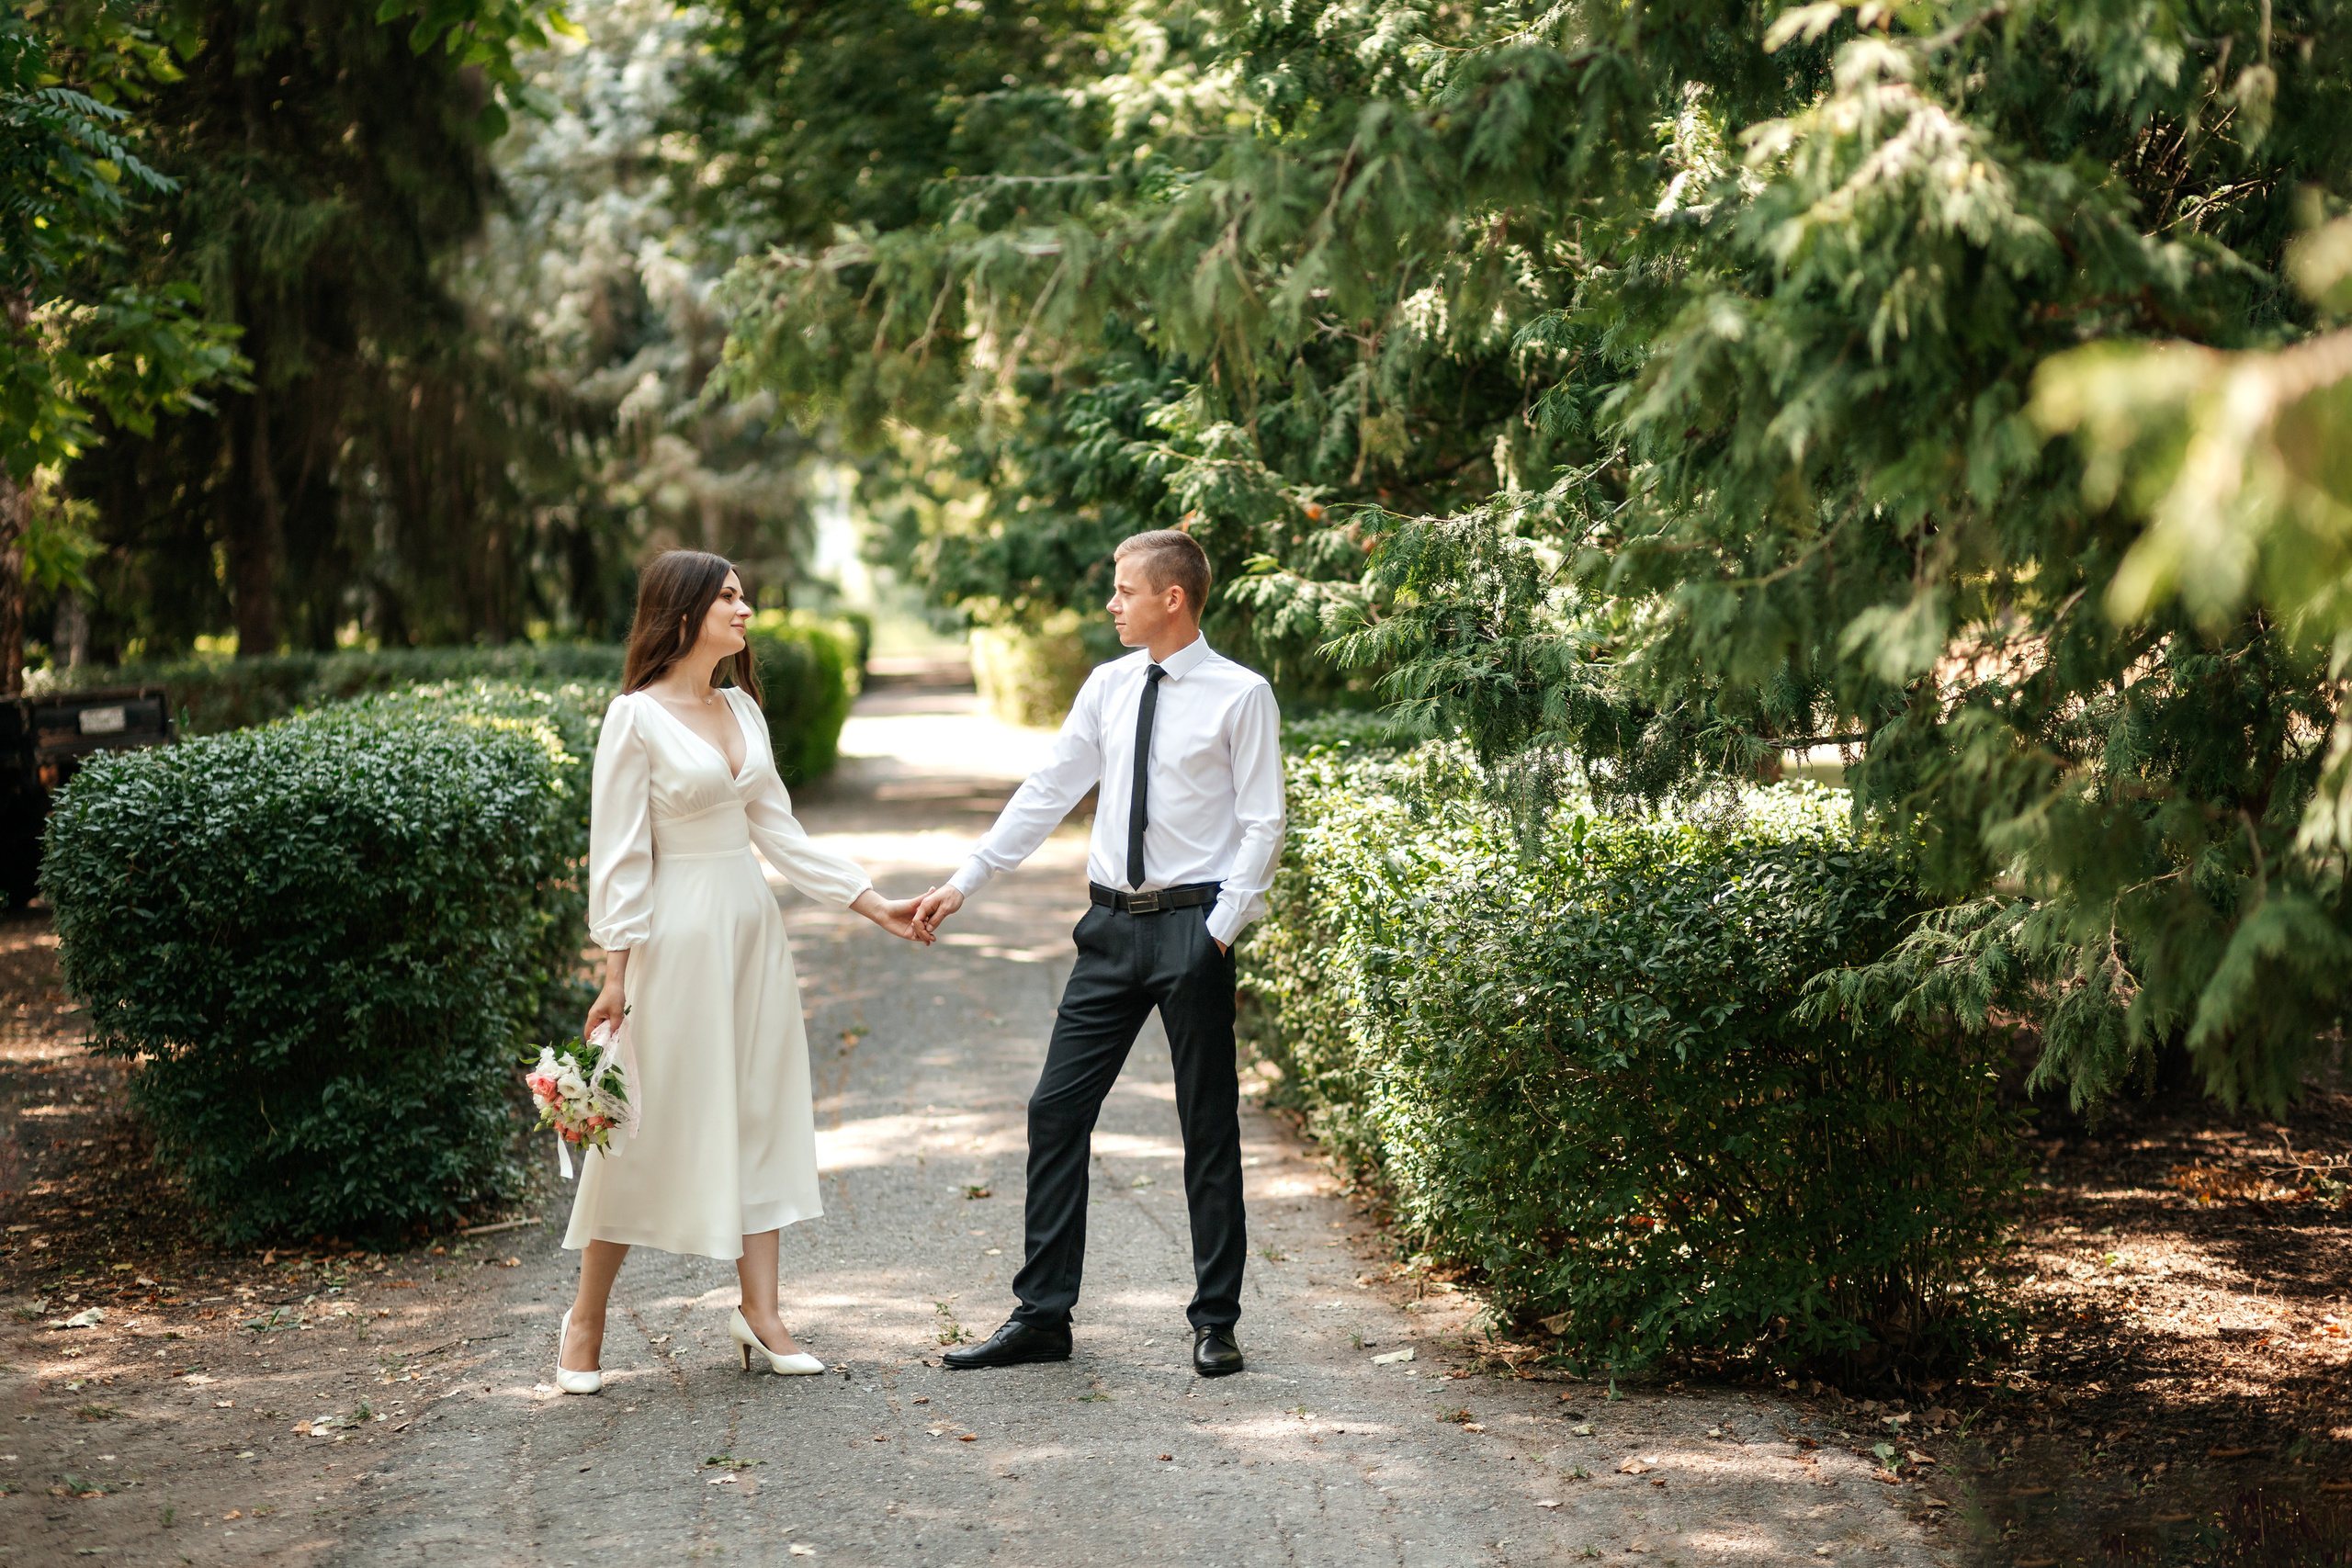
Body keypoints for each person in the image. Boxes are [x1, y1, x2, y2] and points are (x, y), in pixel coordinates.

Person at [555, 549, 930, 1395]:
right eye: (728, 596)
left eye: (743, 595)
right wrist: (615, 976)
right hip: (674, 939)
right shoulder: (634, 719)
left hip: (752, 934)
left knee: (759, 1110)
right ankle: (586, 1318)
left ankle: (760, 1313)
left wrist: (875, 904)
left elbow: (782, 833)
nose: (746, 608)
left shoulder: (743, 711)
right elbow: (618, 858)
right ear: (682, 612)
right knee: (644, 1126)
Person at [912, 529, 1285, 1377]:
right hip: (1109, 928)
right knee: (1055, 1108)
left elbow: (1264, 820)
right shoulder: (1108, 687)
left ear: (1173, 598)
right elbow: (1049, 788)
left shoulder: (1241, 694)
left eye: (1123, 590)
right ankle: (1043, 1314)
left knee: (1207, 1125)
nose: (1112, 604)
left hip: (1193, 925)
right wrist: (967, 877)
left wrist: (1219, 931)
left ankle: (1216, 1319)